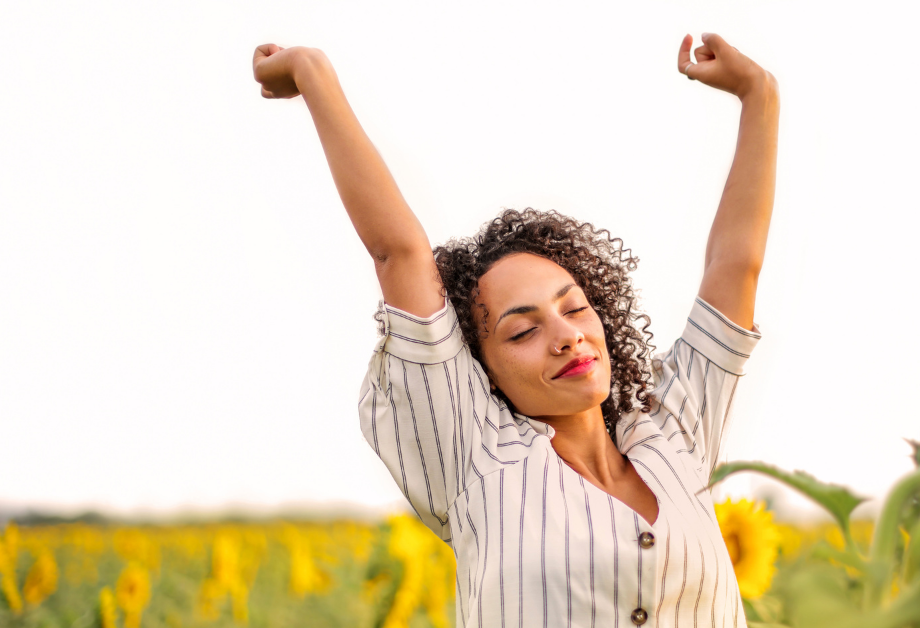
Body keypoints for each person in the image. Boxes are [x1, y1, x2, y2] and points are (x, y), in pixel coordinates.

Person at [253, 31, 778, 628]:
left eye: (574, 308)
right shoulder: (477, 457)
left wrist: (758, 95)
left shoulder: (673, 432)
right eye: (521, 331)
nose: (566, 336)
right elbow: (397, 251)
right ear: (482, 368)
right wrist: (312, 73)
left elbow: (735, 266)